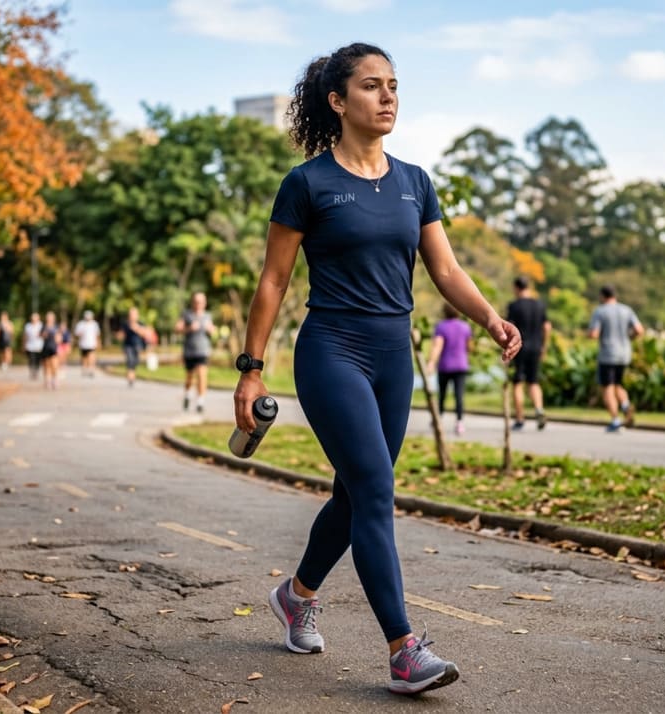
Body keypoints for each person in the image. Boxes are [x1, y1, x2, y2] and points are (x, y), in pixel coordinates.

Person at [232, 43, 521, 696]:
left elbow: (444, 270)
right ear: (338, 102)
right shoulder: (307, 184)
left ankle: (297, 594)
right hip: (332, 350)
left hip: (394, 357)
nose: (388, 96)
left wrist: (490, 318)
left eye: (393, 85)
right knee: (376, 492)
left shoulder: (415, 181)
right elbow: (274, 281)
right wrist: (251, 370)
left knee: (357, 491)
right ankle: (402, 649)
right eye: (371, 86)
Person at [588, 284, 644, 432]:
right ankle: (625, 405)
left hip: (608, 354)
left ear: (602, 296)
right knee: (618, 384)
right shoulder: (626, 310)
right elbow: (639, 330)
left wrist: (588, 335)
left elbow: (594, 334)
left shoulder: (600, 311)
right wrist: (629, 338)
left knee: (607, 388)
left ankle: (615, 420)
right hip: (624, 354)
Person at [505, 276, 551, 431]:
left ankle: (519, 418)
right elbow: (547, 327)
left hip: (520, 347)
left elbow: (510, 327)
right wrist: (544, 346)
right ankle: (539, 409)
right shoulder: (539, 305)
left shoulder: (514, 306)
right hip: (536, 347)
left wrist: (506, 348)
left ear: (517, 288)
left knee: (518, 382)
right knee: (533, 381)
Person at [427, 303, 472, 435]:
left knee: (442, 394)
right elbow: (469, 347)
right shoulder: (465, 327)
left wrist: (431, 362)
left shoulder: (441, 327)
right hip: (461, 365)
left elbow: (437, 346)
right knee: (459, 395)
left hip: (445, 366)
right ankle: (459, 423)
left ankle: (438, 419)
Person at [176, 292, 216, 412]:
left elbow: (213, 331)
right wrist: (189, 328)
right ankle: (188, 395)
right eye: (196, 301)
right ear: (193, 302)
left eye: (201, 302)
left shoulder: (208, 316)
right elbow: (177, 329)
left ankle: (200, 401)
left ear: (204, 303)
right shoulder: (187, 315)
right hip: (189, 351)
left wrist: (211, 330)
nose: (198, 304)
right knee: (189, 378)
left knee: (202, 375)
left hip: (203, 351)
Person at [117, 306, 151, 387]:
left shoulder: (140, 323)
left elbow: (145, 334)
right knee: (130, 361)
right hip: (128, 346)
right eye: (131, 314)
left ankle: (132, 376)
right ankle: (130, 379)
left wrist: (136, 328)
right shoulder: (125, 324)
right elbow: (121, 335)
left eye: (134, 314)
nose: (132, 316)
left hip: (137, 345)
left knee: (135, 362)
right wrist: (120, 336)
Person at [73, 310, 101, 377]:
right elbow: (76, 334)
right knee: (84, 357)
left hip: (91, 344)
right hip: (83, 344)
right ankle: (85, 369)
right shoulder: (81, 324)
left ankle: (91, 369)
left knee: (91, 356)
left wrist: (98, 342)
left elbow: (97, 334)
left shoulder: (94, 324)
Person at [40, 311, 60, 389]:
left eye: (50, 317)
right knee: (46, 365)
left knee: (54, 365)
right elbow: (40, 335)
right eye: (48, 317)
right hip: (45, 347)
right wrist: (44, 335)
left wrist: (57, 338)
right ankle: (47, 380)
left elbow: (59, 338)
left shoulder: (56, 327)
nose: (49, 319)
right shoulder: (44, 326)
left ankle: (55, 380)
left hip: (53, 347)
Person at [23, 312, 45, 380]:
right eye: (32, 317)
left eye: (35, 317)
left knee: (37, 360)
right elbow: (25, 335)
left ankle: (36, 371)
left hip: (39, 346)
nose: (33, 319)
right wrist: (24, 344)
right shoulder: (28, 325)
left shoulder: (41, 325)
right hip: (30, 346)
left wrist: (41, 335)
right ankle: (32, 371)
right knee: (31, 359)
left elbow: (44, 335)